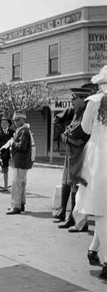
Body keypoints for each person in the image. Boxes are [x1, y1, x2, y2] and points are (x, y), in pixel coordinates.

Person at [72, 66, 107, 278]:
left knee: (100, 207)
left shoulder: (94, 102)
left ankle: (100, 254)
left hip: (99, 155)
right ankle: (95, 251)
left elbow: (85, 129)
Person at [53, 87, 91, 228]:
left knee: (76, 185)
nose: (71, 101)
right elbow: (69, 133)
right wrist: (67, 136)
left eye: (74, 98)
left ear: (82, 99)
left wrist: (70, 137)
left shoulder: (87, 114)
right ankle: (71, 217)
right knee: (69, 182)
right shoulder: (75, 112)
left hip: (81, 154)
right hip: (72, 152)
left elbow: (83, 134)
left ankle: (75, 219)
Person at [6, 111, 33, 215]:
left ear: (24, 120)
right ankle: (21, 204)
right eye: (15, 120)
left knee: (16, 184)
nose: (16, 122)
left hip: (20, 161)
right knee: (21, 183)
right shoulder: (25, 130)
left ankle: (16, 206)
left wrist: (13, 143)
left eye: (18, 120)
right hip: (23, 161)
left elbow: (22, 146)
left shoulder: (23, 131)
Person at [0, 114, 15, 191]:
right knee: (5, 169)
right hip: (4, 152)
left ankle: (16, 185)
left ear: (8, 124)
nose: (3, 124)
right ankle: (5, 185)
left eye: (5, 123)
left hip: (12, 152)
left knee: (16, 169)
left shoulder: (12, 132)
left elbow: (15, 140)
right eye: (2, 123)